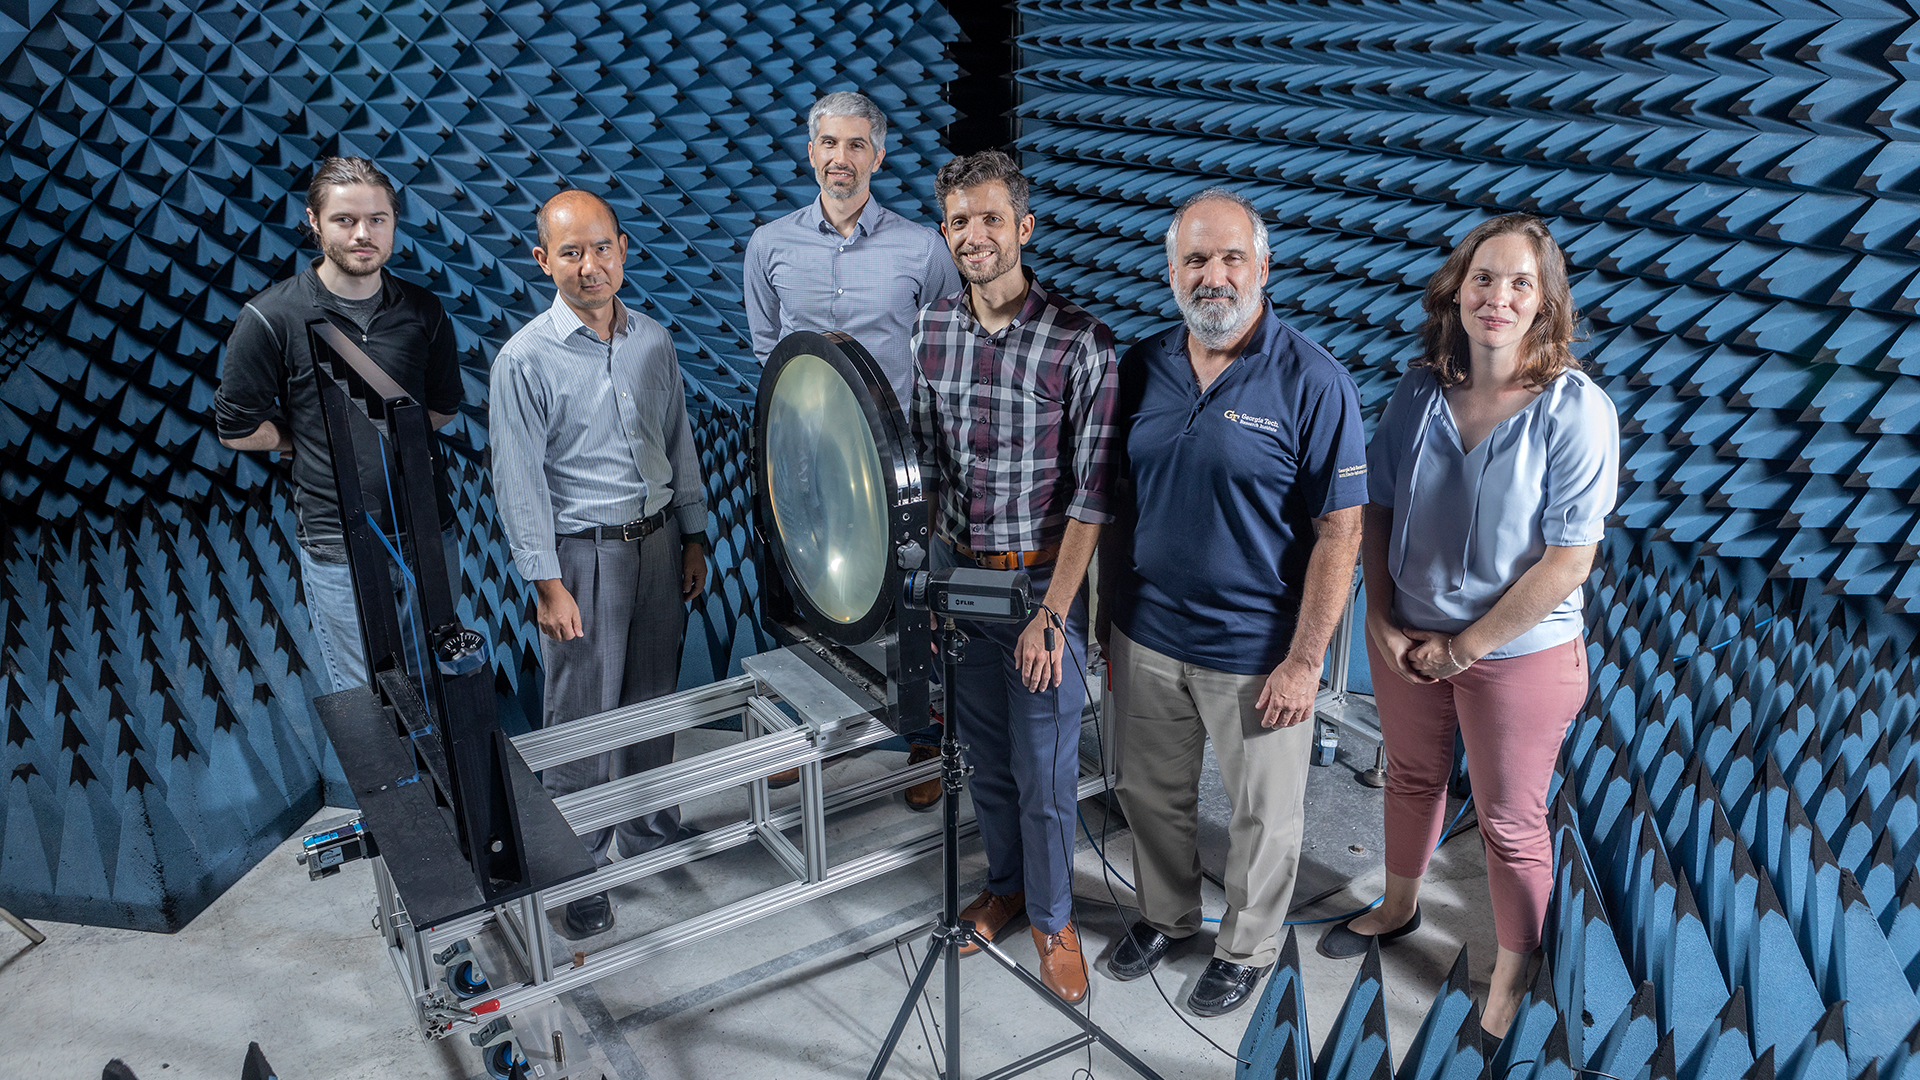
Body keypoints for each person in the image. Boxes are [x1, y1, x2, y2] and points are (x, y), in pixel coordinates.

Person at [1316, 213, 1618, 1045]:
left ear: (1545, 301)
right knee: (1411, 777)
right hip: (1408, 639)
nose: (1499, 296)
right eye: (1485, 277)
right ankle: (1400, 905)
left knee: (1509, 820)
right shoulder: (1420, 390)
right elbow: (1375, 508)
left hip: (1517, 656)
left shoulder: (1575, 409)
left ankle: (1512, 976)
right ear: (1458, 288)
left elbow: (1568, 560)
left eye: (1521, 282)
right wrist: (1376, 613)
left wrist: (1466, 647)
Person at [1098, 189, 1367, 1017]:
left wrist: (1305, 660)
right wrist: (1108, 626)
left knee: (1263, 820)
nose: (1213, 276)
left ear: (1263, 266)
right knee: (1150, 796)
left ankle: (1246, 948)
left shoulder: (1314, 381)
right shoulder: (1140, 367)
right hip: (1146, 636)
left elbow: (1340, 534)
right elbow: (1112, 508)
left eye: (1230, 259)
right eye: (1195, 260)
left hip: (1257, 654)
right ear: (1171, 270)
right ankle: (1163, 914)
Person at [910, 150, 1117, 1003]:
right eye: (959, 221)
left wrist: (1055, 616)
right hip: (963, 588)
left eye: (990, 218)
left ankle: (1056, 918)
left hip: (1039, 590)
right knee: (986, 763)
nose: (974, 236)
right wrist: (927, 589)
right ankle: (1005, 888)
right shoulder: (929, 330)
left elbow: (1094, 495)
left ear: (1023, 227)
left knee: (1044, 774)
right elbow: (923, 468)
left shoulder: (1080, 341)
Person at [489, 190, 711, 939]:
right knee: (580, 719)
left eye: (602, 248)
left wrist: (694, 535)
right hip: (581, 558)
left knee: (652, 700)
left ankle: (650, 823)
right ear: (542, 259)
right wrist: (547, 585)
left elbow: (677, 442)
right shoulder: (523, 359)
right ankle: (574, 867)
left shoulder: (654, 339)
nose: (590, 266)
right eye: (571, 252)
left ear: (623, 247)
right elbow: (517, 480)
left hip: (655, 545)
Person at [742, 90, 963, 807]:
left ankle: (931, 742)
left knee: (915, 605)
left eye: (857, 144)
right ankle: (812, 731)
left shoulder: (922, 248)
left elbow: (943, 349)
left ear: (879, 153)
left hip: (898, 463)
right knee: (814, 597)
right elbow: (769, 351)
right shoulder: (769, 245)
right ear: (811, 151)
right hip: (805, 461)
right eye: (829, 144)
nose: (842, 159)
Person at [214, 156, 462, 693]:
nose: (362, 234)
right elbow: (235, 428)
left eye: (377, 219)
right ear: (314, 221)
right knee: (370, 704)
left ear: (394, 223)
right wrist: (304, 441)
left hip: (429, 531)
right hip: (338, 545)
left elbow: (443, 407)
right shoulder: (271, 317)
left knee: (439, 690)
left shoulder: (424, 311)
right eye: (344, 220)